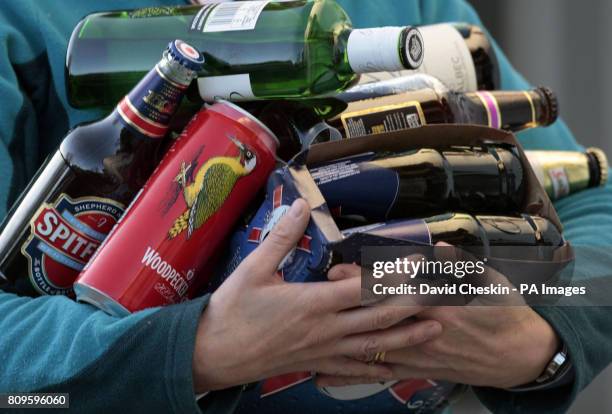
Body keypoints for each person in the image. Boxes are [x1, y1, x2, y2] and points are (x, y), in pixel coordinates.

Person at [0, 0, 610, 413]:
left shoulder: (405, 15)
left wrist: (543, 342)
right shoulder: (32, 24)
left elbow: (597, 211)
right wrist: (194, 352)